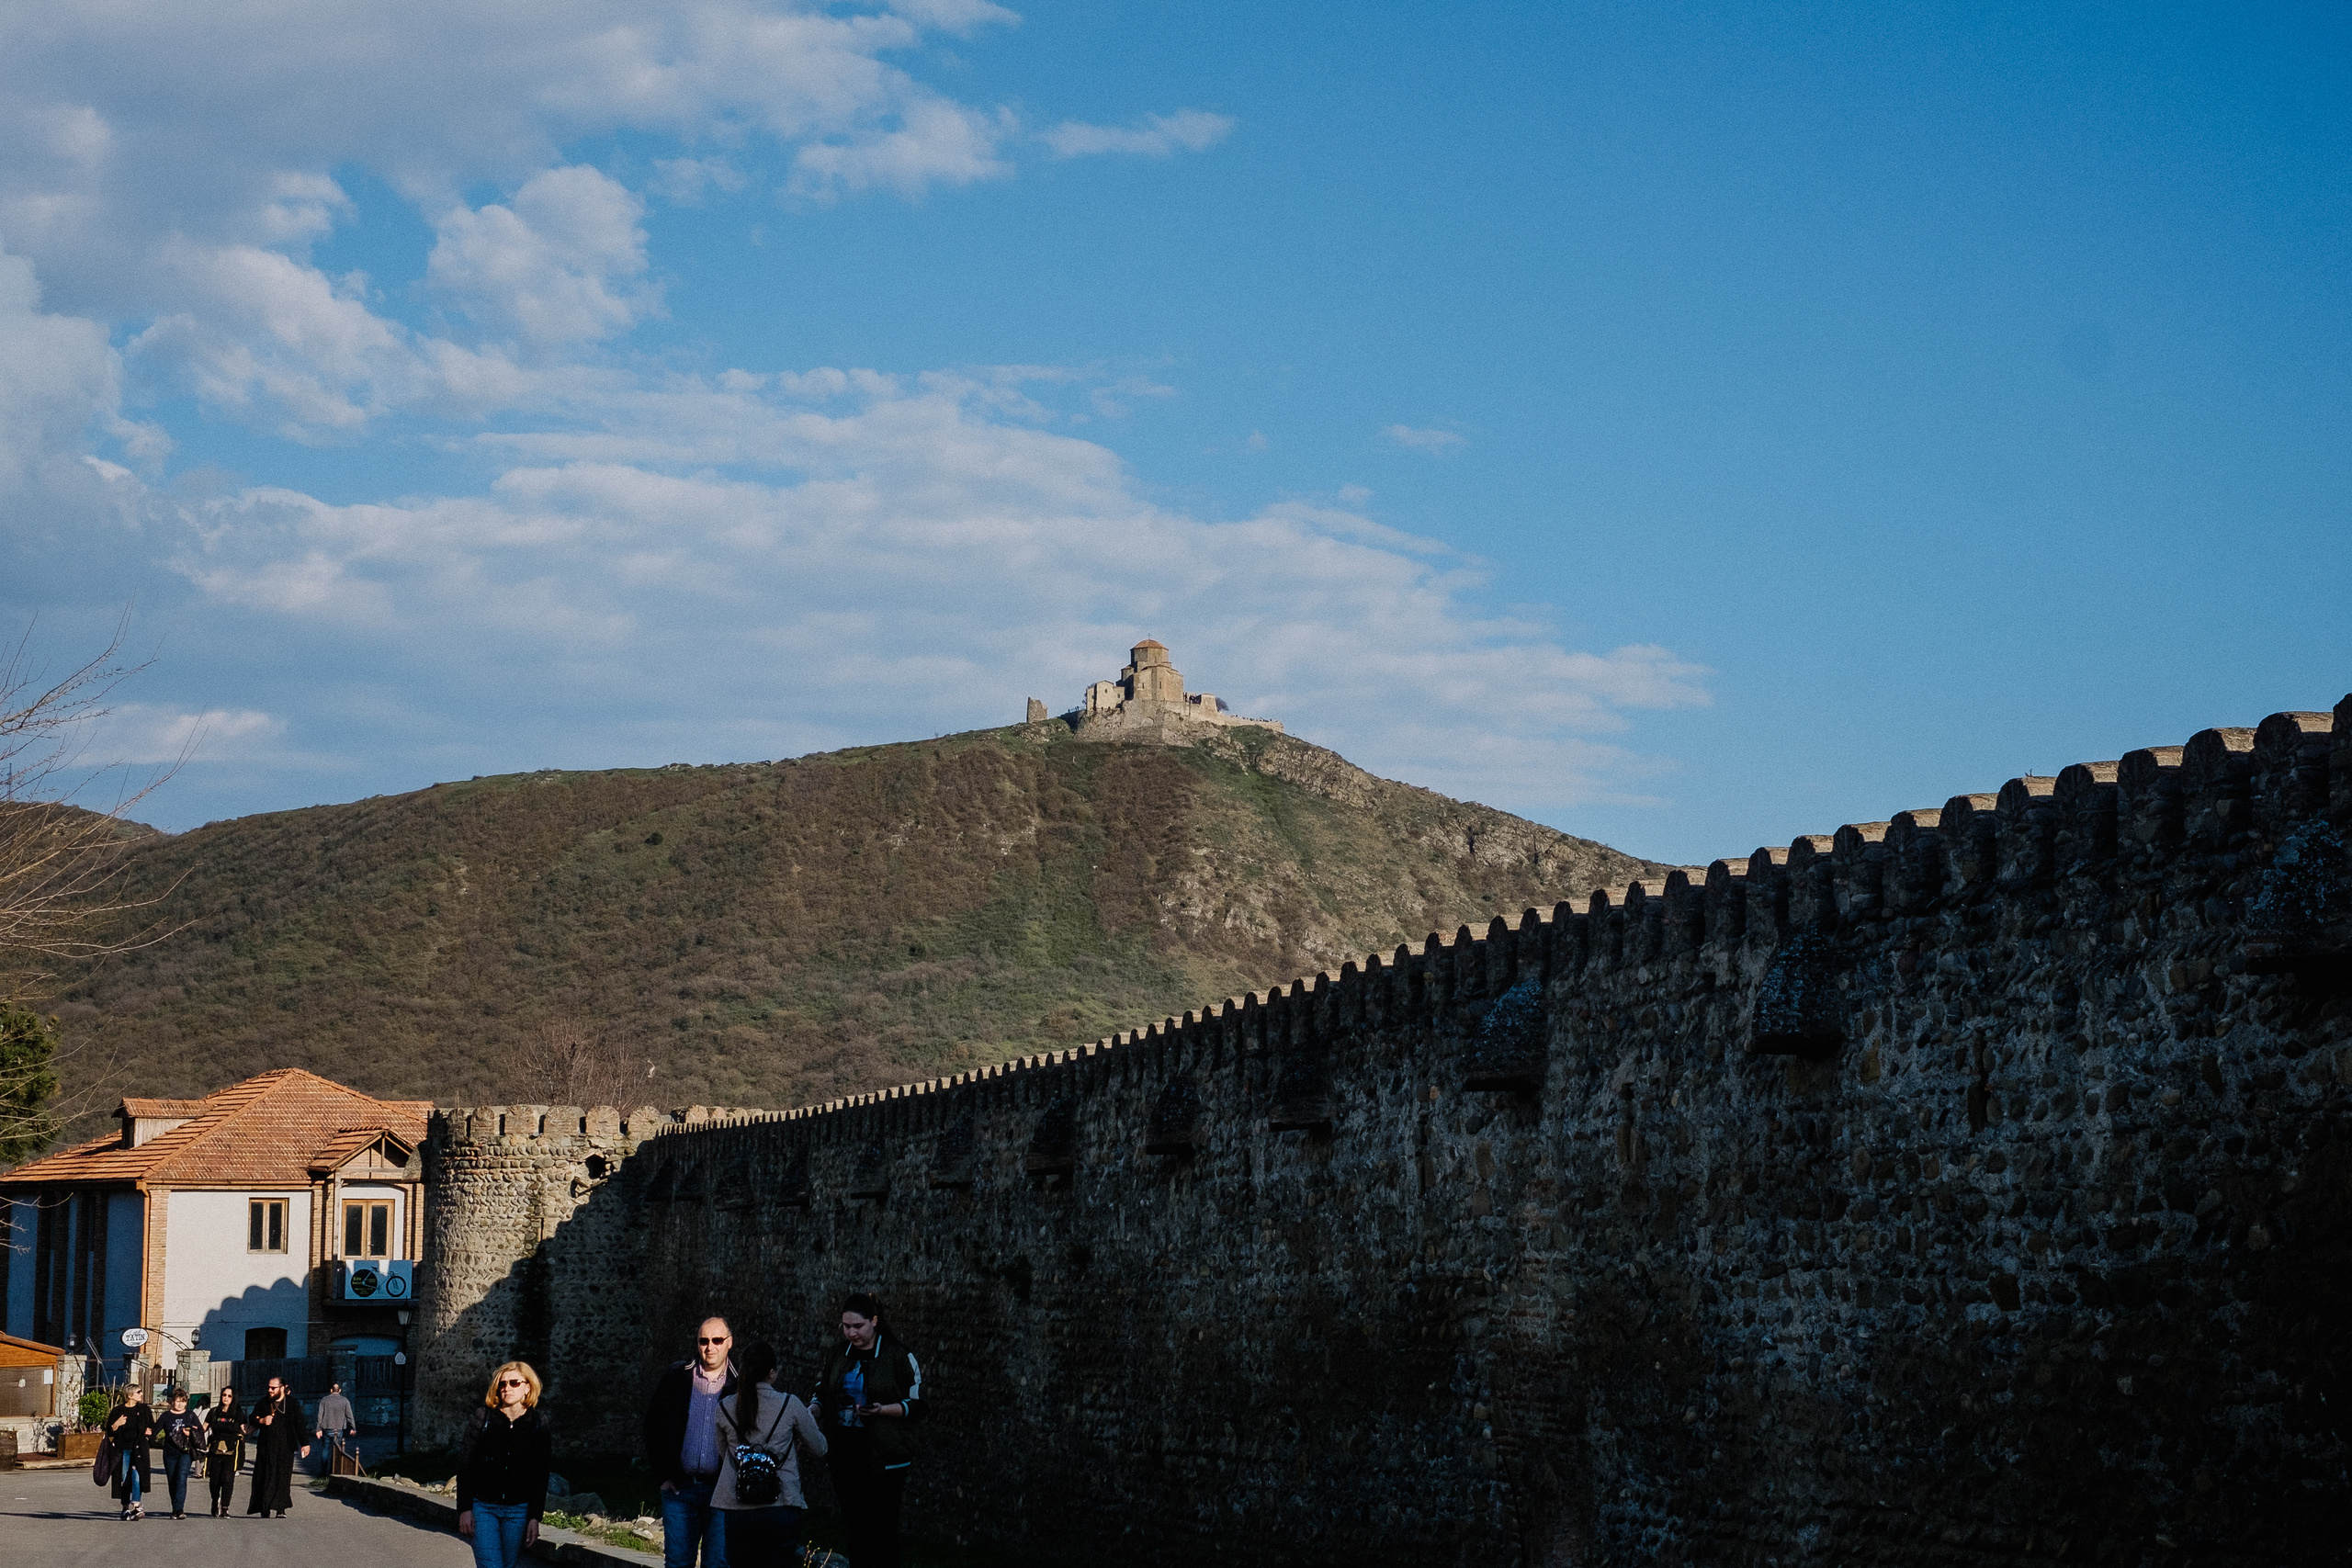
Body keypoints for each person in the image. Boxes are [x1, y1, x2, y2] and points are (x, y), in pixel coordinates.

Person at [815, 1293, 924, 1568]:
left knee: (882, 1529)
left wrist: (882, 1410)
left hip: (885, 1457)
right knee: (855, 1527)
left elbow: (918, 1405)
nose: (851, 1333)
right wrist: (811, 1412)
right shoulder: (838, 1354)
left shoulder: (898, 1355)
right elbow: (822, 1392)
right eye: (846, 1326)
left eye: (858, 1326)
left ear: (874, 1321)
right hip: (844, 1454)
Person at [713, 1340, 825, 1567]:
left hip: (738, 1506)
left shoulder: (724, 1407)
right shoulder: (790, 1404)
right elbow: (819, 1447)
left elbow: (725, 1455)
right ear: (772, 1373)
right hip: (781, 1504)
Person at [644, 1314, 737, 1568]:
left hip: (721, 1492)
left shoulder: (740, 1383)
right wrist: (663, 1476)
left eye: (717, 1340)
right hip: (680, 1489)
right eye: (703, 1341)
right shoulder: (678, 1376)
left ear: (729, 1342)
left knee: (716, 1564)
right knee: (677, 1563)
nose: (710, 1347)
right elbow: (653, 1424)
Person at [456, 1361, 552, 1568]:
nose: (506, 1388)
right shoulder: (483, 1417)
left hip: (518, 1511)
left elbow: (540, 1473)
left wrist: (535, 1517)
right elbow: (465, 1465)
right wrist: (465, 1509)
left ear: (528, 1387)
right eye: (502, 1384)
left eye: (514, 1383)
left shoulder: (538, 1423)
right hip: (484, 1508)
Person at [245, 1374, 311, 1517]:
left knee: (283, 1478)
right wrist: (262, 1420)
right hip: (266, 1447)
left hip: (286, 1446)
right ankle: (265, 1507)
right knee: (265, 1476)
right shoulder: (263, 1402)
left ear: (282, 1388)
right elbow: (252, 1418)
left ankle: (280, 1508)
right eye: (269, 1387)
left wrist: (305, 1443)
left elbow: (299, 1424)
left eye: (273, 1388)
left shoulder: (292, 1404)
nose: (270, 1390)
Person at [105, 1384, 154, 1521]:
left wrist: (149, 1432)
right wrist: (116, 1424)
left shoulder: (144, 1410)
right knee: (124, 1478)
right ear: (129, 1395)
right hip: (122, 1449)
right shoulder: (118, 1410)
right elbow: (109, 1431)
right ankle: (125, 1507)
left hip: (139, 1449)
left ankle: (137, 1506)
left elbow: (152, 1426)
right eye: (138, 1392)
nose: (141, 1394)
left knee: (137, 1476)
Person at [156, 1386, 206, 1519]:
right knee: (172, 1481)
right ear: (172, 1401)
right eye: (178, 1401)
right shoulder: (166, 1416)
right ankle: (175, 1507)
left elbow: (200, 1431)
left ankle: (178, 1509)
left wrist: (191, 1433)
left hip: (185, 1451)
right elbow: (155, 1430)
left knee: (181, 1478)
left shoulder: (190, 1415)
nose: (180, 1404)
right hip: (169, 1452)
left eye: (183, 1401)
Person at [204, 1386, 245, 1517]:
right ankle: (215, 1501)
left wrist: (259, 1424)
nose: (226, 1398)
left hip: (231, 1451)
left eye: (229, 1396)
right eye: (224, 1395)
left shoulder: (238, 1413)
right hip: (215, 1450)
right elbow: (203, 1428)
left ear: (233, 1398)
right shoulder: (213, 1412)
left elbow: (245, 1429)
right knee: (214, 1480)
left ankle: (225, 1507)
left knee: (228, 1480)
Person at [315, 1379, 357, 1473]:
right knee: (336, 1449)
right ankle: (333, 1470)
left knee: (325, 1448)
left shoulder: (324, 1400)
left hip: (326, 1427)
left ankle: (324, 1471)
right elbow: (349, 1415)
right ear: (340, 1390)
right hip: (338, 1428)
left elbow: (320, 1416)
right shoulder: (345, 1401)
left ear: (331, 1390)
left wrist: (318, 1428)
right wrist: (353, 1427)